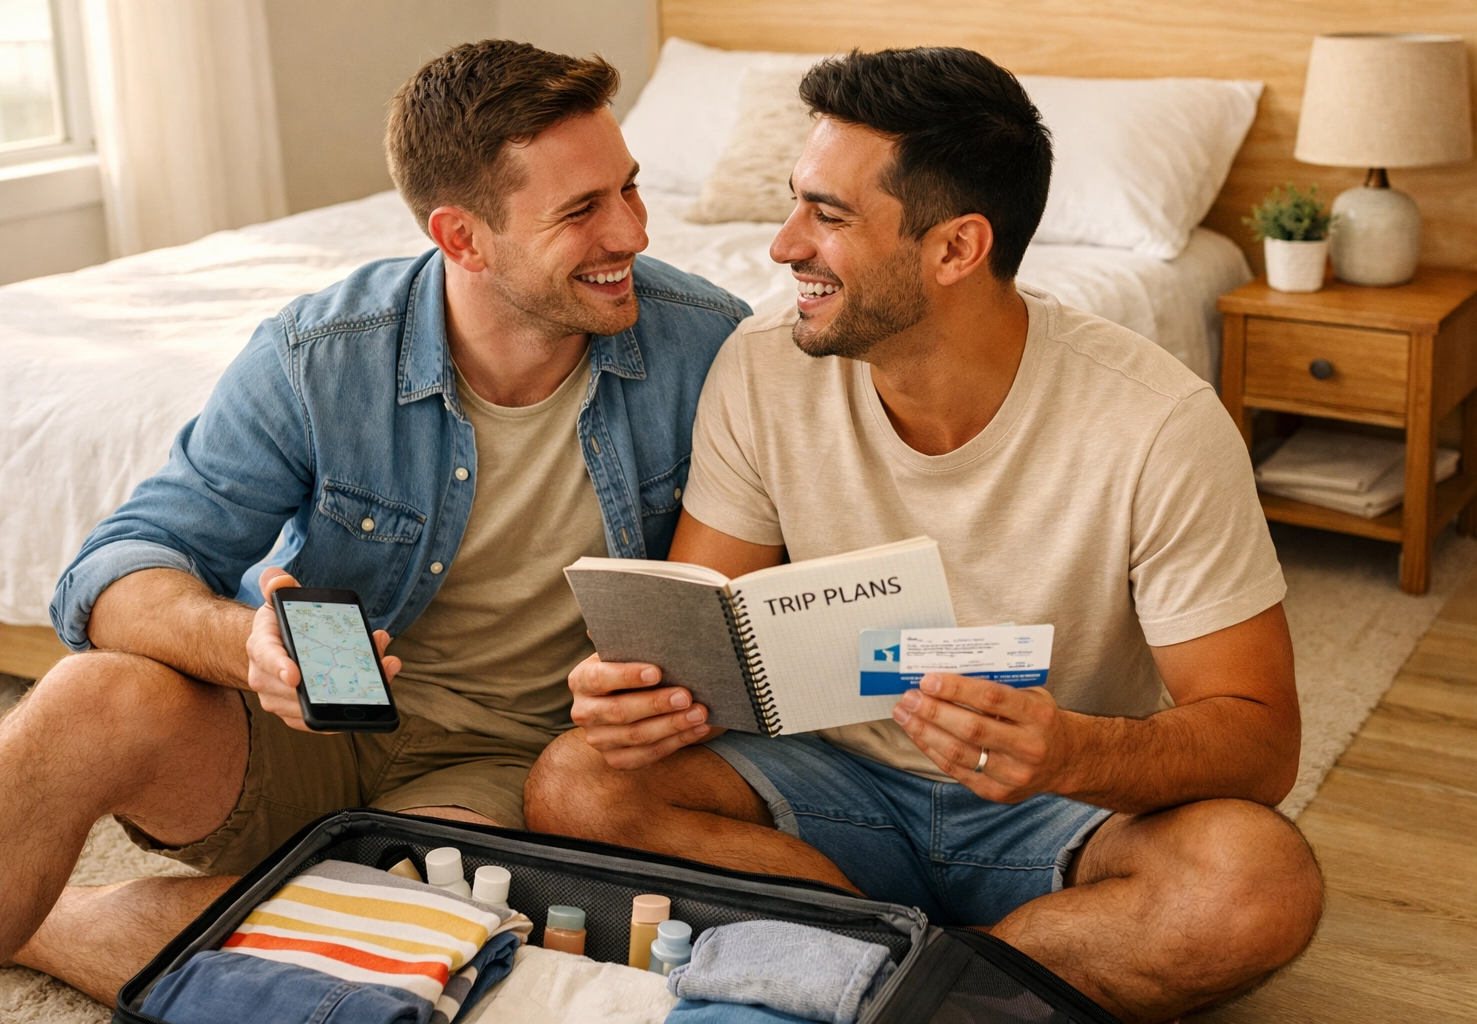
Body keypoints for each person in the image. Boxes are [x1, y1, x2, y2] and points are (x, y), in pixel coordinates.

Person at [524, 46, 1323, 1024]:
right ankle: (951, 987)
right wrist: (640, 698)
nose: (782, 247)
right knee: (577, 782)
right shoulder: (763, 366)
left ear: (956, 249)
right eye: (794, 203)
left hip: (1059, 810)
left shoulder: (1156, 423)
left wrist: (1069, 752)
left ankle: (869, 977)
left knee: (1257, 881)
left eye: (828, 214)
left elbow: (1259, 738)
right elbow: (696, 632)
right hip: (832, 789)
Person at [0, 40, 749, 1003]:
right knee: (89, 695)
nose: (632, 233)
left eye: (630, 188)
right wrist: (245, 642)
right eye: (582, 210)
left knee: (405, 945)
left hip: (495, 765)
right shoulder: (319, 355)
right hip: (306, 718)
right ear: (461, 237)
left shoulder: (711, 346)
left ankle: (51, 918)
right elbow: (114, 570)